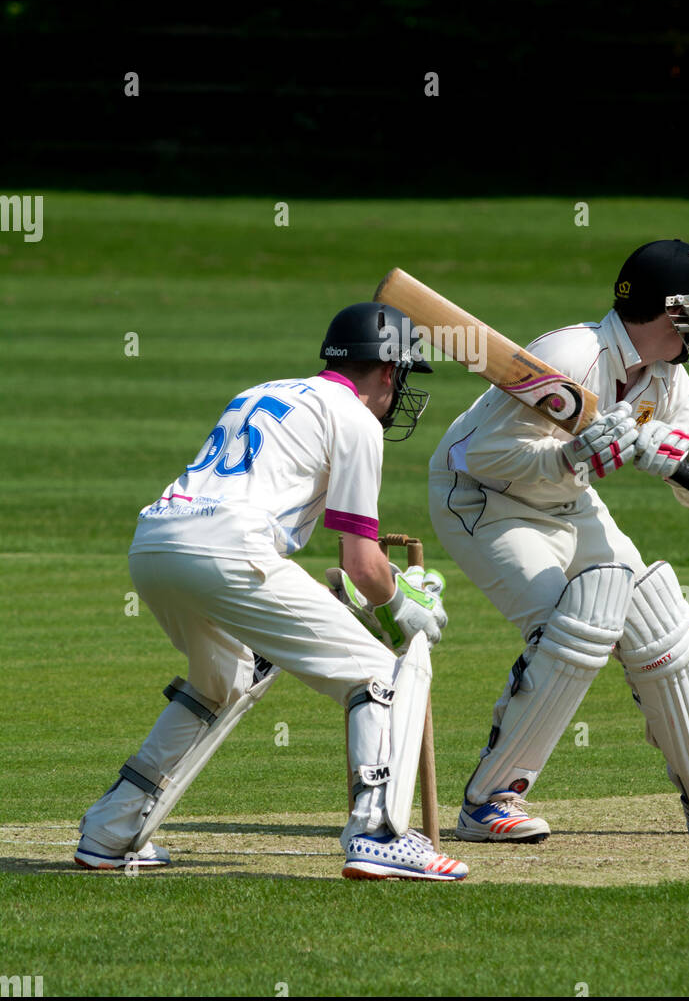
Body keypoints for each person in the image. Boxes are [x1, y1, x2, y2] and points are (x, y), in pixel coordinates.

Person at [75, 302, 468, 881]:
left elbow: (338, 571)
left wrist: (367, 598)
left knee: (223, 680)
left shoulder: (262, 391)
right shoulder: (356, 419)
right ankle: (377, 834)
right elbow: (361, 563)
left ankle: (110, 831)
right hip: (229, 550)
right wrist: (405, 604)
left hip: (155, 543)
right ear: (389, 372)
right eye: (402, 377)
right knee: (378, 674)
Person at [428, 239, 689, 843]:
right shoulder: (571, 354)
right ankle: (489, 802)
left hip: (565, 502)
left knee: (656, 616)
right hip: (482, 502)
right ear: (668, 310)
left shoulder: (666, 382)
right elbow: (478, 453)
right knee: (578, 622)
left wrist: (666, 456)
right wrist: (571, 453)